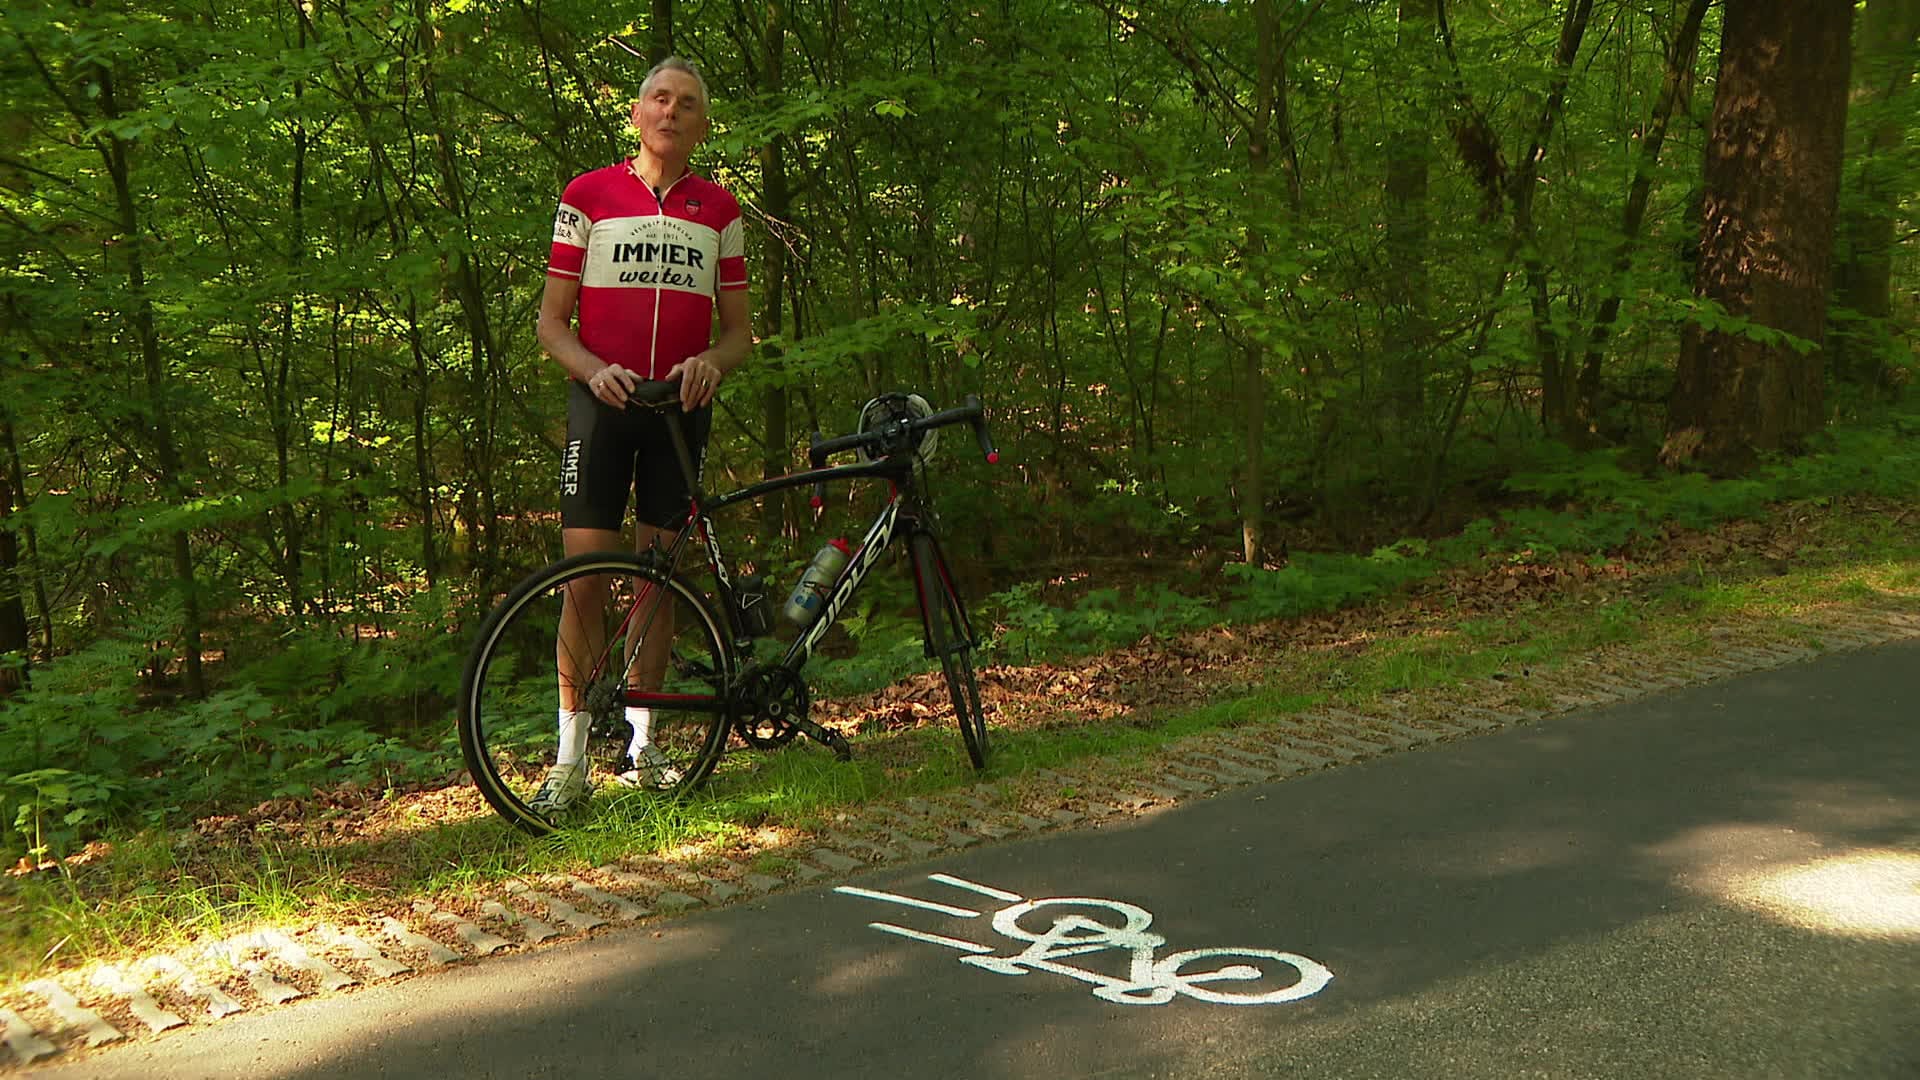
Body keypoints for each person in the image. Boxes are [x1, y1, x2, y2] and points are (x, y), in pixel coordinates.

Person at [530, 56, 751, 817]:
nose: (671, 112)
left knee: (660, 580)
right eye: (660, 98)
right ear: (636, 112)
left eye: (687, 103)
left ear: (702, 124)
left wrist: (712, 363)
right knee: (584, 580)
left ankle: (644, 744)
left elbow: (740, 335)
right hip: (603, 405)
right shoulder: (587, 196)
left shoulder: (718, 211)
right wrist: (594, 372)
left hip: (679, 411)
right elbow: (550, 323)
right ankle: (569, 757)